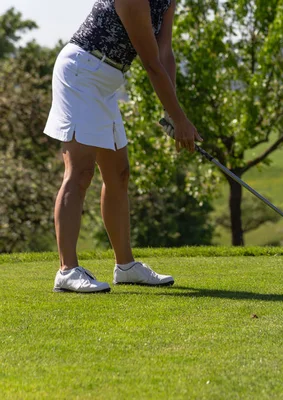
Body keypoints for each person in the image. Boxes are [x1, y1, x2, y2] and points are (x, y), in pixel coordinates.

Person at [44, 0, 201, 293]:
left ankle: (126, 266)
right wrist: (179, 119)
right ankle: (67, 270)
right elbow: (151, 62)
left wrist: (173, 111)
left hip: (107, 81)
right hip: (81, 73)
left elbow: (165, 52)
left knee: (118, 174)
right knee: (80, 172)